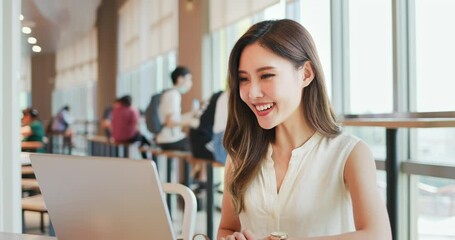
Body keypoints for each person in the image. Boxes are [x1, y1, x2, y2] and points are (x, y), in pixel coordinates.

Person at [217, 19, 391, 240]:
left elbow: (378, 235)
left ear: (306, 74)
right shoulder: (240, 156)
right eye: (244, 79)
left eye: (266, 75)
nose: (252, 93)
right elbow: (227, 229)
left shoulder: (349, 154)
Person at [155, 66, 198, 151]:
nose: (191, 83)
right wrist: (190, 122)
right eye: (189, 79)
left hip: (163, 138)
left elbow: (172, 118)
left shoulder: (169, 93)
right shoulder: (174, 95)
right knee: (198, 147)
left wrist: (191, 114)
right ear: (180, 79)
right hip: (169, 139)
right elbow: (170, 122)